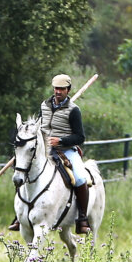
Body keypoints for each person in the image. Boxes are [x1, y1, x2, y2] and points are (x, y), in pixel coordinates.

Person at [8, 73, 92, 234]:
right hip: (43, 149)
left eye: (62, 89)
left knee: (80, 177)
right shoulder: (44, 105)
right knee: (22, 170)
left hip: (66, 150)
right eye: (56, 88)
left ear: (68, 90)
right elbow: (39, 126)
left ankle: (82, 218)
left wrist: (60, 141)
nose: (58, 92)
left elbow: (80, 137)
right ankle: (20, 216)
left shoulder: (74, 110)